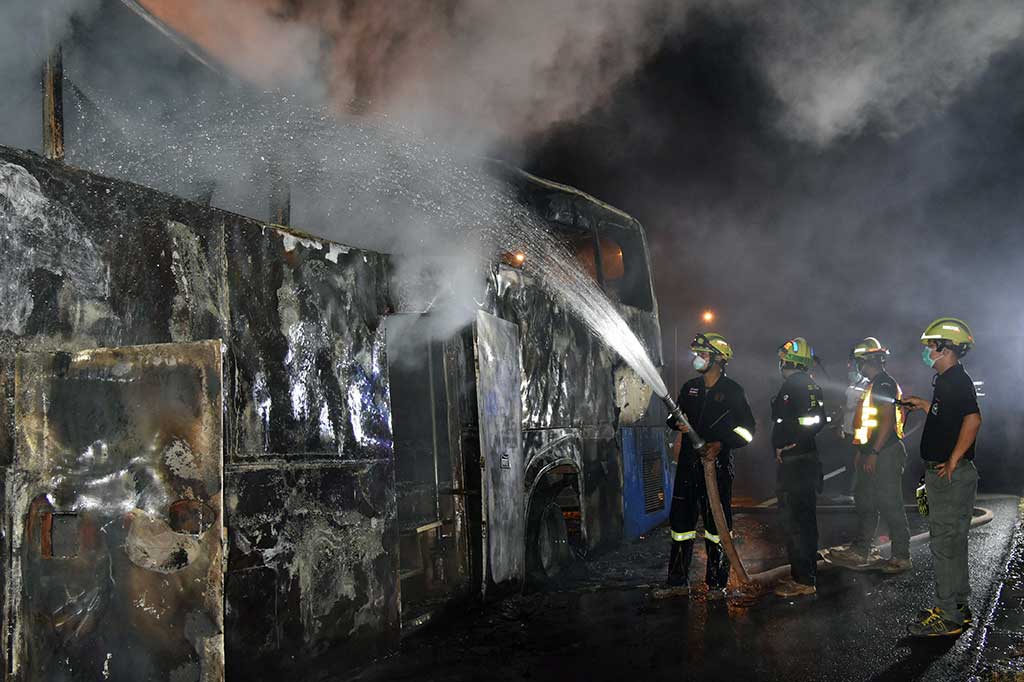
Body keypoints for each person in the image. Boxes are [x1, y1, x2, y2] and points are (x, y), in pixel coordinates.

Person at [660, 332, 756, 599]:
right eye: (696, 354)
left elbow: (749, 430)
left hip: (718, 467)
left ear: (717, 359)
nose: (696, 359)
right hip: (689, 465)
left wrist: (721, 445)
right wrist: (675, 422)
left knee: (717, 528)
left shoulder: (733, 391)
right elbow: (673, 416)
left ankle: (717, 584)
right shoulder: (690, 387)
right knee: (680, 526)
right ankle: (676, 583)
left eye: (702, 354)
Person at [903, 318, 981, 637]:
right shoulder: (949, 380)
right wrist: (922, 404)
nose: (926, 352)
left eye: (930, 346)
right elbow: (948, 415)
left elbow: (973, 420)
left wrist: (952, 460)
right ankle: (957, 605)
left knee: (944, 544)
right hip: (951, 474)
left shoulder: (954, 382)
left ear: (944, 348)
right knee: (953, 542)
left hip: (949, 475)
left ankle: (948, 615)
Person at [830, 338, 912, 573]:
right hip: (872, 450)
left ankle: (901, 556)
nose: (856, 365)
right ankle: (861, 549)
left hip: (885, 452)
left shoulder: (884, 384)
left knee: (890, 503)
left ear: (865, 361)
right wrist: (862, 451)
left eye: (858, 361)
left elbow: (886, 421)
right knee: (865, 501)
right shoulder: (873, 384)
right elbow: (868, 423)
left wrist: (874, 452)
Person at [772, 337, 826, 598]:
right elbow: (816, 421)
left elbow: (805, 422)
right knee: (804, 520)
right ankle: (805, 575)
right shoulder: (809, 384)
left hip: (797, 464)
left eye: (782, 356)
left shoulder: (793, 386)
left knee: (796, 522)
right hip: (805, 461)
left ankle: (803, 580)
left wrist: (789, 445)